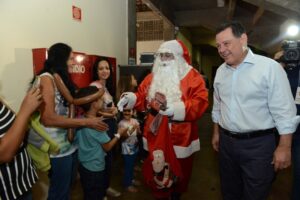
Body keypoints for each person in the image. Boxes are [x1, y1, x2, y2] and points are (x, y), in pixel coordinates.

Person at [211, 21, 299, 200]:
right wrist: (216, 132)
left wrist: (284, 147)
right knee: (229, 191)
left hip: (258, 146)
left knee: (256, 193)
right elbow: (218, 105)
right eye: (218, 45)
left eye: (226, 43)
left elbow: (284, 111)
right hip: (227, 144)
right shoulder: (221, 71)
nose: (221, 50)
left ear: (243, 39)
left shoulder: (269, 68)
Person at [117, 39, 208, 199]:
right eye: (161, 56)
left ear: (179, 57)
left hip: (181, 137)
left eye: (168, 55)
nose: (164, 60)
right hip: (155, 134)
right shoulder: (153, 77)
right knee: (157, 172)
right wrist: (131, 98)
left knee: (178, 178)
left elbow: (200, 103)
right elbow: (142, 96)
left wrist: (174, 110)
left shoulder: (193, 77)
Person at [37, 43, 108, 200]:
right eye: (69, 59)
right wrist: (85, 122)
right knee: (60, 191)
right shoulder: (46, 79)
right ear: (61, 59)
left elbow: (73, 100)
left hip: (69, 145)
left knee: (67, 187)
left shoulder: (60, 79)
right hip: (57, 148)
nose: (72, 63)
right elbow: (48, 118)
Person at [73, 86, 127, 200]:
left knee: (88, 193)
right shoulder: (98, 125)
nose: (103, 100)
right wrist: (119, 134)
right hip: (95, 168)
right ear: (94, 103)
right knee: (96, 194)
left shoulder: (80, 120)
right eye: (100, 98)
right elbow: (107, 147)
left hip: (83, 166)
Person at [0, 87, 41, 200]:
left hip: (22, 184)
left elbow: (13, 129)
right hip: (8, 193)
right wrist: (25, 110)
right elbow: (3, 154)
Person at [90, 57, 120, 197]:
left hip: (111, 124)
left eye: (107, 68)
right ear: (96, 71)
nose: (104, 71)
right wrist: (110, 113)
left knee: (109, 159)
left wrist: (112, 110)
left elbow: (105, 107)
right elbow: (92, 110)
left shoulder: (105, 87)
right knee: (103, 159)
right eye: (101, 68)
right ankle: (101, 192)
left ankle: (106, 187)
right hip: (103, 125)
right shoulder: (94, 86)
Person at [274, 49, 300, 200]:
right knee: (267, 171)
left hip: (299, 131)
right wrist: (277, 64)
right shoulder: (285, 68)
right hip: (277, 128)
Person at [118, 108, 141, 193]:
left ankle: (131, 180)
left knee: (131, 166)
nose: (127, 112)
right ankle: (127, 184)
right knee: (128, 167)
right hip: (127, 148)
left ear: (133, 112)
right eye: (125, 111)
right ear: (122, 112)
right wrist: (133, 128)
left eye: (129, 111)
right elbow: (123, 137)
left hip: (134, 146)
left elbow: (138, 134)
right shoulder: (121, 123)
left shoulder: (135, 120)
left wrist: (138, 129)